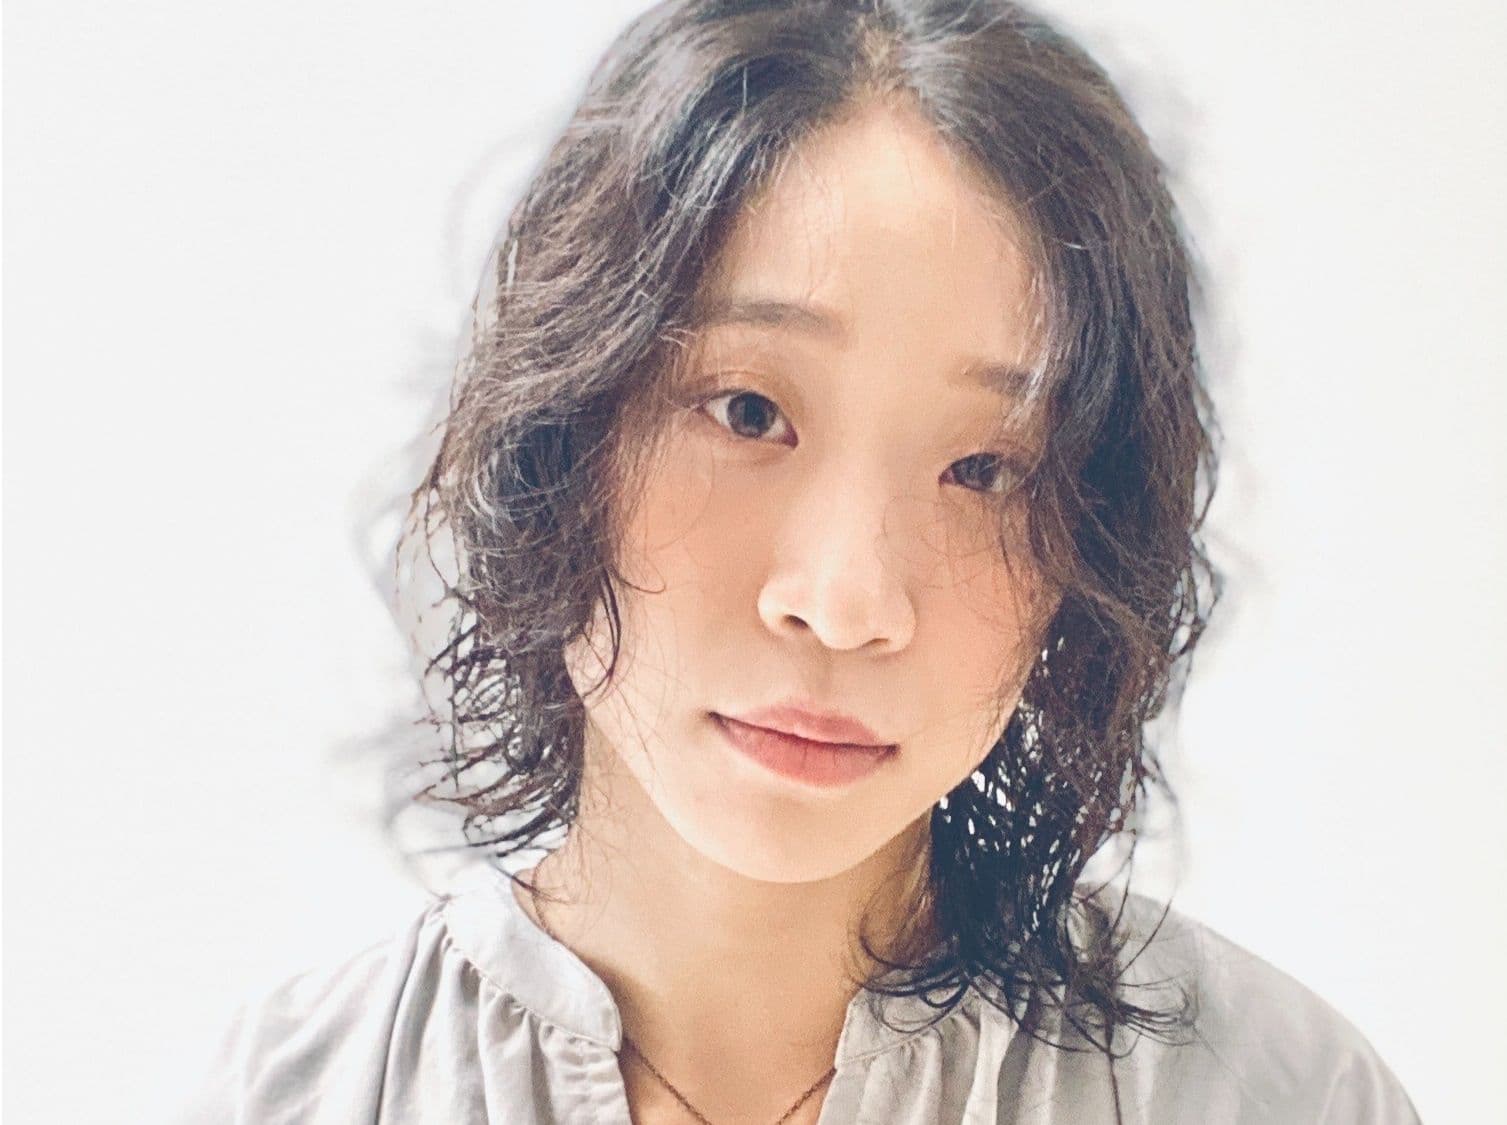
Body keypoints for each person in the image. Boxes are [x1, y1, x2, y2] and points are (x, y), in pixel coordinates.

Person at [179, 1, 1423, 1122]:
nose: (843, 602)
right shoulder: (297, 1096)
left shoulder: (1274, 1097)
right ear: (561, 433)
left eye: (983, 470)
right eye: (747, 413)